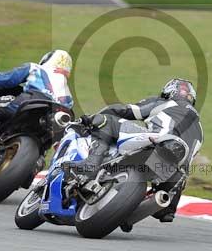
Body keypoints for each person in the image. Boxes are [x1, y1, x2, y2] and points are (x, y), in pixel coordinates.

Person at [75, 78, 203, 223]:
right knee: (169, 199)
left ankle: (90, 165)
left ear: (169, 91)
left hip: (158, 142)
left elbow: (126, 111)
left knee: (106, 120)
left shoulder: (165, 103)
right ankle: (162, 209)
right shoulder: (200, 129)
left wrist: (92, 119)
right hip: (176, 173)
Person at [0, 50, 74, 145]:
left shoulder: (36, 68)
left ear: (47, 59)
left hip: (30, 101)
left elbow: (0, 80)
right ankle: (37, 161)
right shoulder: (69, 96)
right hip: (53, 118)